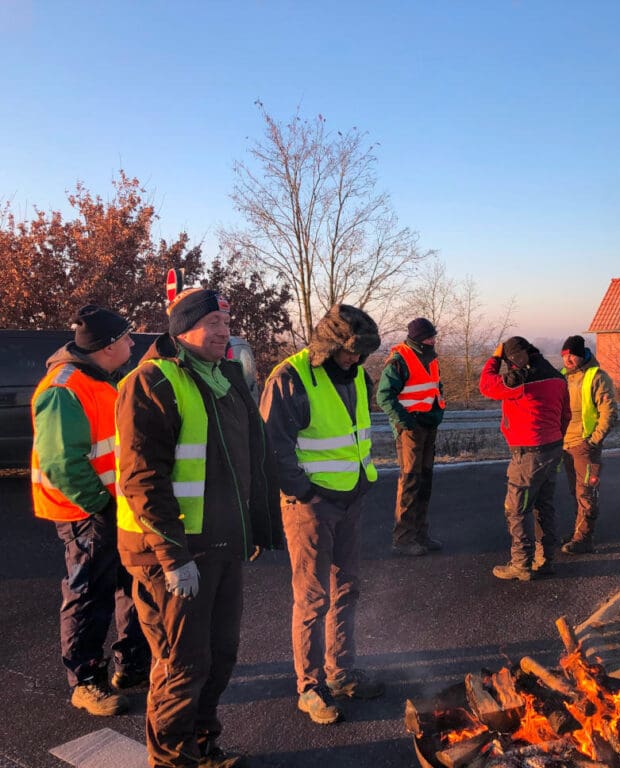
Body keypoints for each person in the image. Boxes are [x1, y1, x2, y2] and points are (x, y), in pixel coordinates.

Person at [116, 288, 283, 768]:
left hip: (222, 546)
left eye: (227, 322)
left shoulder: (225, 378)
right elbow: (141, 479)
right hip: (174, 556)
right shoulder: (153, 381)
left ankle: (203, 746)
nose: (223, 331)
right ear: (182, 328)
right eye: (212, 321)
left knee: (220, 657)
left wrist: (252, 530)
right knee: (182, 665)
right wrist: (173, 556)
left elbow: (244, 463)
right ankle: (171, 760)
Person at [260, 303, 385, 726]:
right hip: (311, 505)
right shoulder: (291, 377)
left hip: (351, 497)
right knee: (313, 598)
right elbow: (272, 446)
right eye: (350, 351)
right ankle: (310, 686)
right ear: (327, 346)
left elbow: (356, 434)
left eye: (361, 353)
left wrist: (361, 483)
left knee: (348, 587)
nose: (356, 359)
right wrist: (304, 491)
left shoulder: (357, 375)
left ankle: (342, 672)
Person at [31, 305, 150, 717]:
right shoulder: (65, 388)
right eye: (127, 338)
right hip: (85, 511)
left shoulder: (103, 379)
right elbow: (62, 463)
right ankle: (85, 681)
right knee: (88, 594)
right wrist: (101, 506)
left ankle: (131, 666)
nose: (132, 344)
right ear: (108, 345)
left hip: (113, 507)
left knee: (129, 586)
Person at [479, 336, 570, 581]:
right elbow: (566, 415)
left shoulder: (520, 381)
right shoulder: (557, 378)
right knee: (544, 505)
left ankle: (521, 563)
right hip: (553, 447)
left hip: (528, 451)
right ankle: (546, 558)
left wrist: (494, 358)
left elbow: (486, 385)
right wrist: (556, 437)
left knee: (517, 508)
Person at [376, 317, 445, 556]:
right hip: (411, 430)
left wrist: (437, 413)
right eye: (429, 336)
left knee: (424, 481)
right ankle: (403, 538)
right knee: (410, 481)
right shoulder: (399, 360)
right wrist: (407, 423)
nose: (433, 340)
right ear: (418, 338)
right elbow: (384, 397)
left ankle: (420, 535)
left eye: (433, 336)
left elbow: (435, 388)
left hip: (427, 426)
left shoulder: (430, 358)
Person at [558, 335, 618, 555]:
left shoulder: (597, 377)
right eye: (564, 355)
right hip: (565, 445)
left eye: (571, 355)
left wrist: (593, 440)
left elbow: (609, 412)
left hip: (585, 445)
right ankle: (578, 532)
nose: (567, 359)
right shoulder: (563, 377)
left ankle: (584, 539)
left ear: (582, 354)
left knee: (586, 493)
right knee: (576, 492)